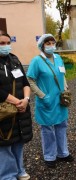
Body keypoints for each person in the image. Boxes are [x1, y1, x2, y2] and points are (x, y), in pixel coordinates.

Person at [26, 34, 73, 168]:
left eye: (53, 43)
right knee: (47, 129)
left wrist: (65, 87)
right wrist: (42, 95)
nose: (51, 46)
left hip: (60, 99)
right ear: (42, 46)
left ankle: (63, 153)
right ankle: (50, 156)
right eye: (48, 43)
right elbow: (30, 79)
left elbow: (62, 74)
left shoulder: (58, 58)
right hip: (46, 100)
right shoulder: (37, 61)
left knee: (61, 125)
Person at [0, 31, 32, 180]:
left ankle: (20, 170)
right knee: (5, 143)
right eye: (1, 43)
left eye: (8, 43)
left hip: (20, 108)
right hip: (4, 111)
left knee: (18, 139)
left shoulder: (14, 59)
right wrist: (16, 101)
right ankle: (7, 175)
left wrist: (25, 99)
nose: (6, 46)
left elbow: (25, 82)